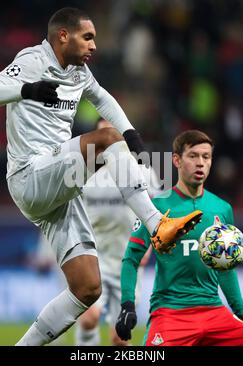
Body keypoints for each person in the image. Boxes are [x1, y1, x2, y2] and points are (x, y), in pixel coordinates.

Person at [0, 7, 202, 346]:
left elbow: (103, 98)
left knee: (86, 289)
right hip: (30, 173)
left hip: (58, 187)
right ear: (63, 36)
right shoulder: (32, 60)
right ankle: (156, 224)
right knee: (106, 140)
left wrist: (132, 134)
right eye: (88, 37)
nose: (94, 45)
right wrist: (25, 90)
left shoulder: (79, 72)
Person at [116, 129, 243, 346]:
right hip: (170, 312)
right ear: (176, 160)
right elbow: (131, 258)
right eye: (193, 156)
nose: (200, 163)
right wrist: (127, 304)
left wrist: (241, 315)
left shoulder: (222, 209)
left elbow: (225, 269)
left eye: (206, 157)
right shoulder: (155, 207)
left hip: (214, 310)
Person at [76, 118, 159, 346]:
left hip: (128, 262)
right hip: (94, 259)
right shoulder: (83, 172)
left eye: (111, 135)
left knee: (120, 338)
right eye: (101, 135)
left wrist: (148, 247)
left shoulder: (141, 170)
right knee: (88, 319)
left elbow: (155, 210)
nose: (106, 142)